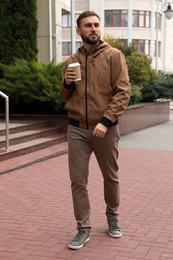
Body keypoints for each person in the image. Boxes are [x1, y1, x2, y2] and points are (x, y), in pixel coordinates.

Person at [60, 10, 130, 250]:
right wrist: (67, 83)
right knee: (77, 181)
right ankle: (83, 228)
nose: (93, 29)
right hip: (77, 129)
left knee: (110, 177)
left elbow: (123, 93)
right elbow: (64, 98)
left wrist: (106, 121)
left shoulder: (114, 56)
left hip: (106, 129)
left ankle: (113, 216)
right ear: (79, 31)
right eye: (88, 25)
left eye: (96, 25)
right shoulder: (71, 61)